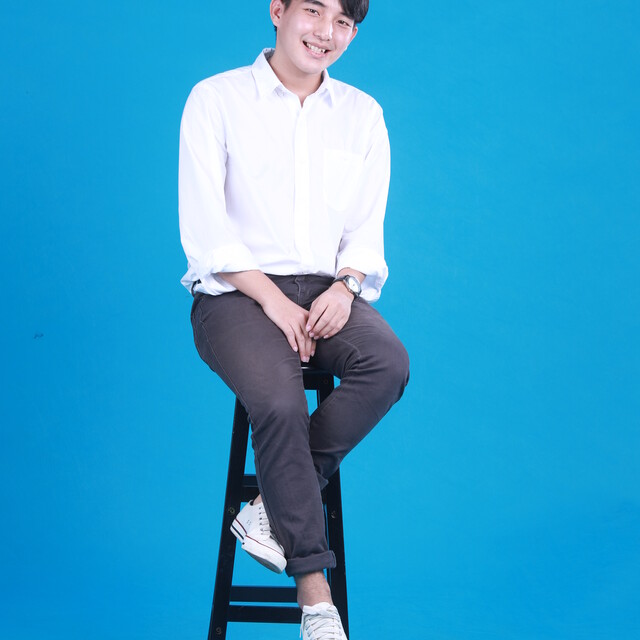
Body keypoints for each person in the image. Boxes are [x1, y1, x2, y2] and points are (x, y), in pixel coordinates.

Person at [179, 1, 409, 637]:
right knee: (278, 403)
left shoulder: (362, 114)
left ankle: (270, 508)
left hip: (327, 288)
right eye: (313, 10)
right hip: (234, 294)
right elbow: (206, 231)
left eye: (344, 22)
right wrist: (274, 302)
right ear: (277, 10)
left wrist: (348, 285)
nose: (326, 32)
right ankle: (316, 600)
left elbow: (365, 229)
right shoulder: (215, 99)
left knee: (387, 364)